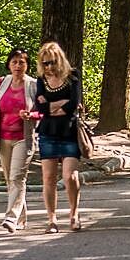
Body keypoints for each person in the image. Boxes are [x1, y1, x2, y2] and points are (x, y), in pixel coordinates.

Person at [32, 41, 85, 232]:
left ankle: (74, 213)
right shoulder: (41, 80)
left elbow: (73, 105)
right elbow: (41, 109)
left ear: (60, 60)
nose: (49, 67)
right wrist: (58, 105)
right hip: (47, 132)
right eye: (45, 63)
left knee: (69, 176)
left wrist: (51, 105)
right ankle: (52, 219)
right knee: (48, 177)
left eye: (52, 62)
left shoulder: (73, 77)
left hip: (69, 132)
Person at [0, 47, 38, 232]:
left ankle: (10, 219)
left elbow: (43, 112)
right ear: (8, 64)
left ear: (27, 65)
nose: (17, 65)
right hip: (2, 138)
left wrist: (32, 115)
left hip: (24, 138)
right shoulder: (1, 83)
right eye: (14, 62)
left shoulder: (34, 85)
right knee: (11, 180)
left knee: (17, 178)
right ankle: (21, 218)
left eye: (22, 62)